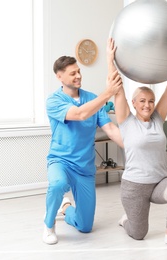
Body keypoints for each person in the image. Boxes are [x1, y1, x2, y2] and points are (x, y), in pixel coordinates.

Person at [108, 38, 167, 249]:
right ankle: (127, 219)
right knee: (138, 234)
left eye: (151, 101)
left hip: (159, 182)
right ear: (133, 104)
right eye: (142, 101)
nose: (147, 105)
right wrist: (110, 60)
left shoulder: (158, 119)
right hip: (134, 187)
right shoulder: (126, 122)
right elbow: (117, 88)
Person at [43, 47, 123, 245]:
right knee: (58, 184)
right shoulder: (54, 101)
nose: (78, 76)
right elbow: (79, 114)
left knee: (85, 226)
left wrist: (134, 148)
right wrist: (108, 94)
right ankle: (48, 225)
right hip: (60, 161)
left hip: (84, 167)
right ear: (59, 77)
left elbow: (111, 129)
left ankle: (66, 208)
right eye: (73, 73)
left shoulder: (92, 98)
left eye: (79, 71)